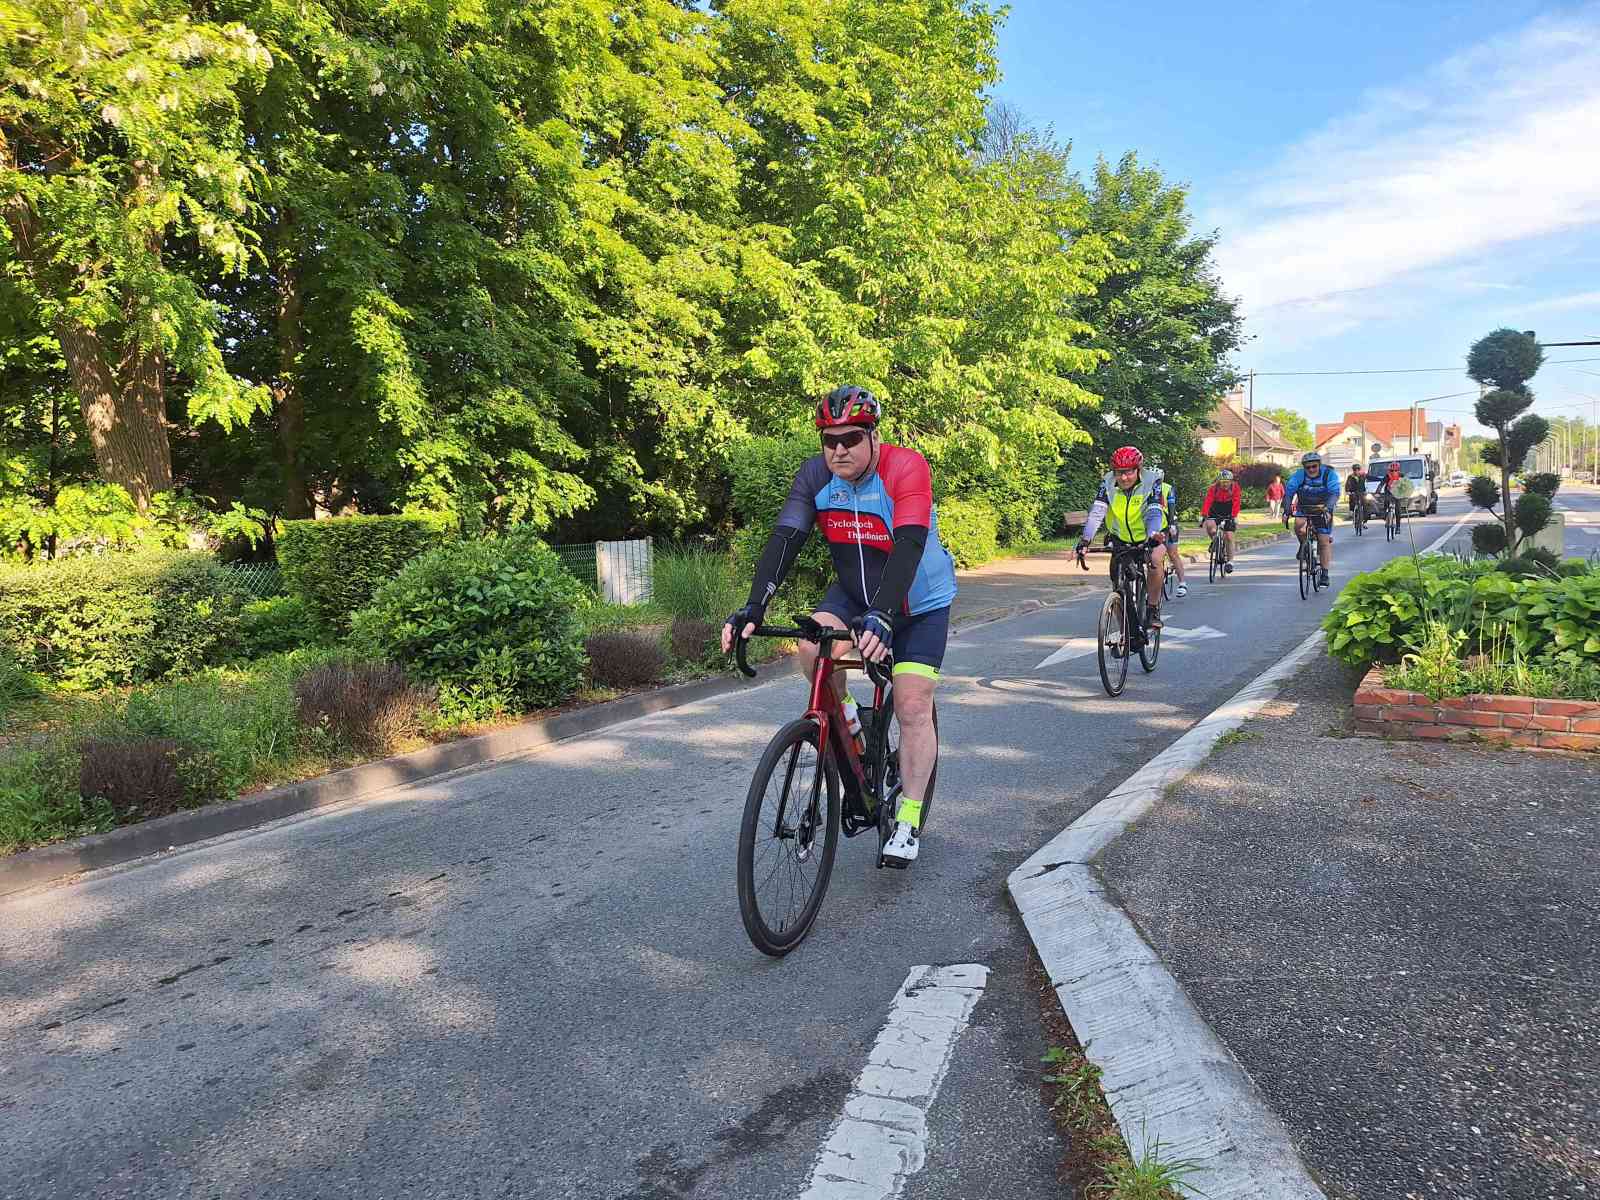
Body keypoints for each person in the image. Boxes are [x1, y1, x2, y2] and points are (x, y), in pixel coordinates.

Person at [722, 386, 955, 869]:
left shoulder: (905, 468)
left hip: (918, 603)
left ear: (873, 437)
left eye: (851, 438)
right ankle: (848, 721)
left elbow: (910, 545)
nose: (839, 450)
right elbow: (785, 539)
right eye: (829, 440)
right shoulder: (815, 475)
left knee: (912, 705)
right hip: (853, 594)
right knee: (812, 649)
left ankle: (908, 819)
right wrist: (753, 608)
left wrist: (885, 614)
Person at [1073, 445, 1170, 630]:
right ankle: (1125, 631)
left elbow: (1154, 512)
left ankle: (1152, 610)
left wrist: (1153, 534)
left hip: (1151, 534)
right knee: (1118, 585)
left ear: (1138, 470)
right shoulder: (1108, 482)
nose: (1124, 477)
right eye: (1119, 472)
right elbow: (1097, 512)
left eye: (1128, 472)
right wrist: (1085, 540)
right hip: (1120, 537)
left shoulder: (1152, 481)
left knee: (1156, 560)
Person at [1282, 451, 1341, 587]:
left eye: (1314, 466)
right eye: (1308, 467)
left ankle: (1324, 575)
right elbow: (1289, 493)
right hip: (1304, 506)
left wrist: (1328, 509)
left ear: (1319, 465)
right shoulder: (1299, 475)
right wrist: (1286, 511)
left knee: (1323, 540)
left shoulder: (1329, 474)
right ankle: (1304, 546)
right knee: (1298, 525)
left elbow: (1334, 493)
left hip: (1323, 507)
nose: (1311, 470)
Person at [1200, 468, 1242, 572]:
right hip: (1215, 509)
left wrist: (1234, 516)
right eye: (1222, 482)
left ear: (1231, 481)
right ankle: (1215, 541)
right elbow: (1208, 501)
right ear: (1219, 481)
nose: (1225, 484)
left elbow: (1236, 502)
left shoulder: (1235, 488)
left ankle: (1230, 561)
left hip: (1229, 510)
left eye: (1227, 482)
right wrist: (1203, 515)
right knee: (1210, 527)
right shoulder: (1213, 488)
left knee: (1229, 536)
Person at [1156, 472, 1188, 597]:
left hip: (1169, 523)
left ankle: (1182, 583)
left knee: (1172, 553)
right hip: (1154, 527)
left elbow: (1171, 507)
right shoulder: (1144, 488)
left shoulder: (1167, 488)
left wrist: (1171, 525)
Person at [1375, 461, 1404, 527]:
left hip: (1397, 493)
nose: (1394, 472)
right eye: (1392, 470)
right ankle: (1385, 515)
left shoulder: (1401, 476)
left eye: (1396, 470)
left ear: (1398, 470)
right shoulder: (1387, 476)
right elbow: (1381, 484)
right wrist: (1377, 492)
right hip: (1388, 491)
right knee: (1386, 501)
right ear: (1389, 470)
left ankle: (1398, 527)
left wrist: (1406, 492)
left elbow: (1406, 484)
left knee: (1398, 510)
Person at [1344, 463, 1368, 528]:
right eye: (1355, 470)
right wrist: (1347, 491)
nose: (1356, 471)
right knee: (1352, 499)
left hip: (1361, 492)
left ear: (1360, 470)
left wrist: (1380, 479)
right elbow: (1347, 484)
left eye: (1358, 469)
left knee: (1365, 505)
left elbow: (1371, 478)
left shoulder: (1363, 475)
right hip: (1353, 492)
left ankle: (1364, 522)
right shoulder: (1350, 477)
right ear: (1353, 470)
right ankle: (1352, 512)